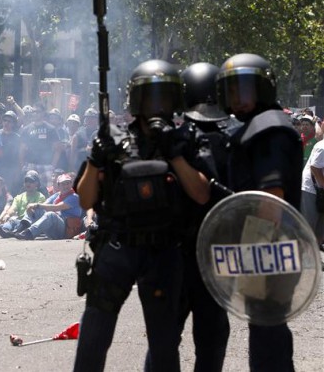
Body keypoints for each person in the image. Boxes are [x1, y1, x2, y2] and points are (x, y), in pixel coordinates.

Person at [73, 59, 212, 372]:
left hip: (163, 253)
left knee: (164, 343)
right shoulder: (113, 136)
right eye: (151, 97)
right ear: (137, 100)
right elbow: (86, 199)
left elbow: (201, 194)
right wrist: (96, 158)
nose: (157, 106)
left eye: (165, 97)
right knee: (94, 334)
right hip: (117, 250)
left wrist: (173, 152)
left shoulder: (186, 138)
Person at [215, 53, 303, 371]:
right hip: (266, 248)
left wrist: (253, 256)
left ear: (264, 90)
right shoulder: (255, 127)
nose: (238, 98)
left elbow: (271, 200)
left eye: (246, 90)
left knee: (269, 333)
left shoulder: (268, 130)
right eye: (233, 90)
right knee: (265, 327)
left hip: (268, 247)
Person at [148, 62, 231, 371]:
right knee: (209, 336)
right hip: (210, 254)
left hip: (175, 252)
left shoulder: (171, 138)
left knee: (165, 338)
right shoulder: (229, 138)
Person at [14, 173, 83, 240]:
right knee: (38, 210)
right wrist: (32, 209)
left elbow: (56, 207)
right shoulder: (57, 195)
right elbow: (45, 204)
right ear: (59, 186)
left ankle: (29, 233)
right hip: (55, 230)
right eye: (63, 184)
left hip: (66, 231)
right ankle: (21, 227)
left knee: (51, 214)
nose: (66, 186)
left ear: (71, 184)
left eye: (68, 183)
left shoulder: (74, 197)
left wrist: (37, 205)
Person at [0, 170, 47, 235]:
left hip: (31, 222)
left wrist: (30, 209)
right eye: (26, 181)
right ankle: (5, 230)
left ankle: (13, 231)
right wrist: (8, 215)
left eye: (31, 181)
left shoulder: (41, 197)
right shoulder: (19, 197)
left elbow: (36, 214)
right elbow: (13, 209)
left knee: (18, 223)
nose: (28, 183)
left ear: (36, 183)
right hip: (19, 221)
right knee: (12, 221)